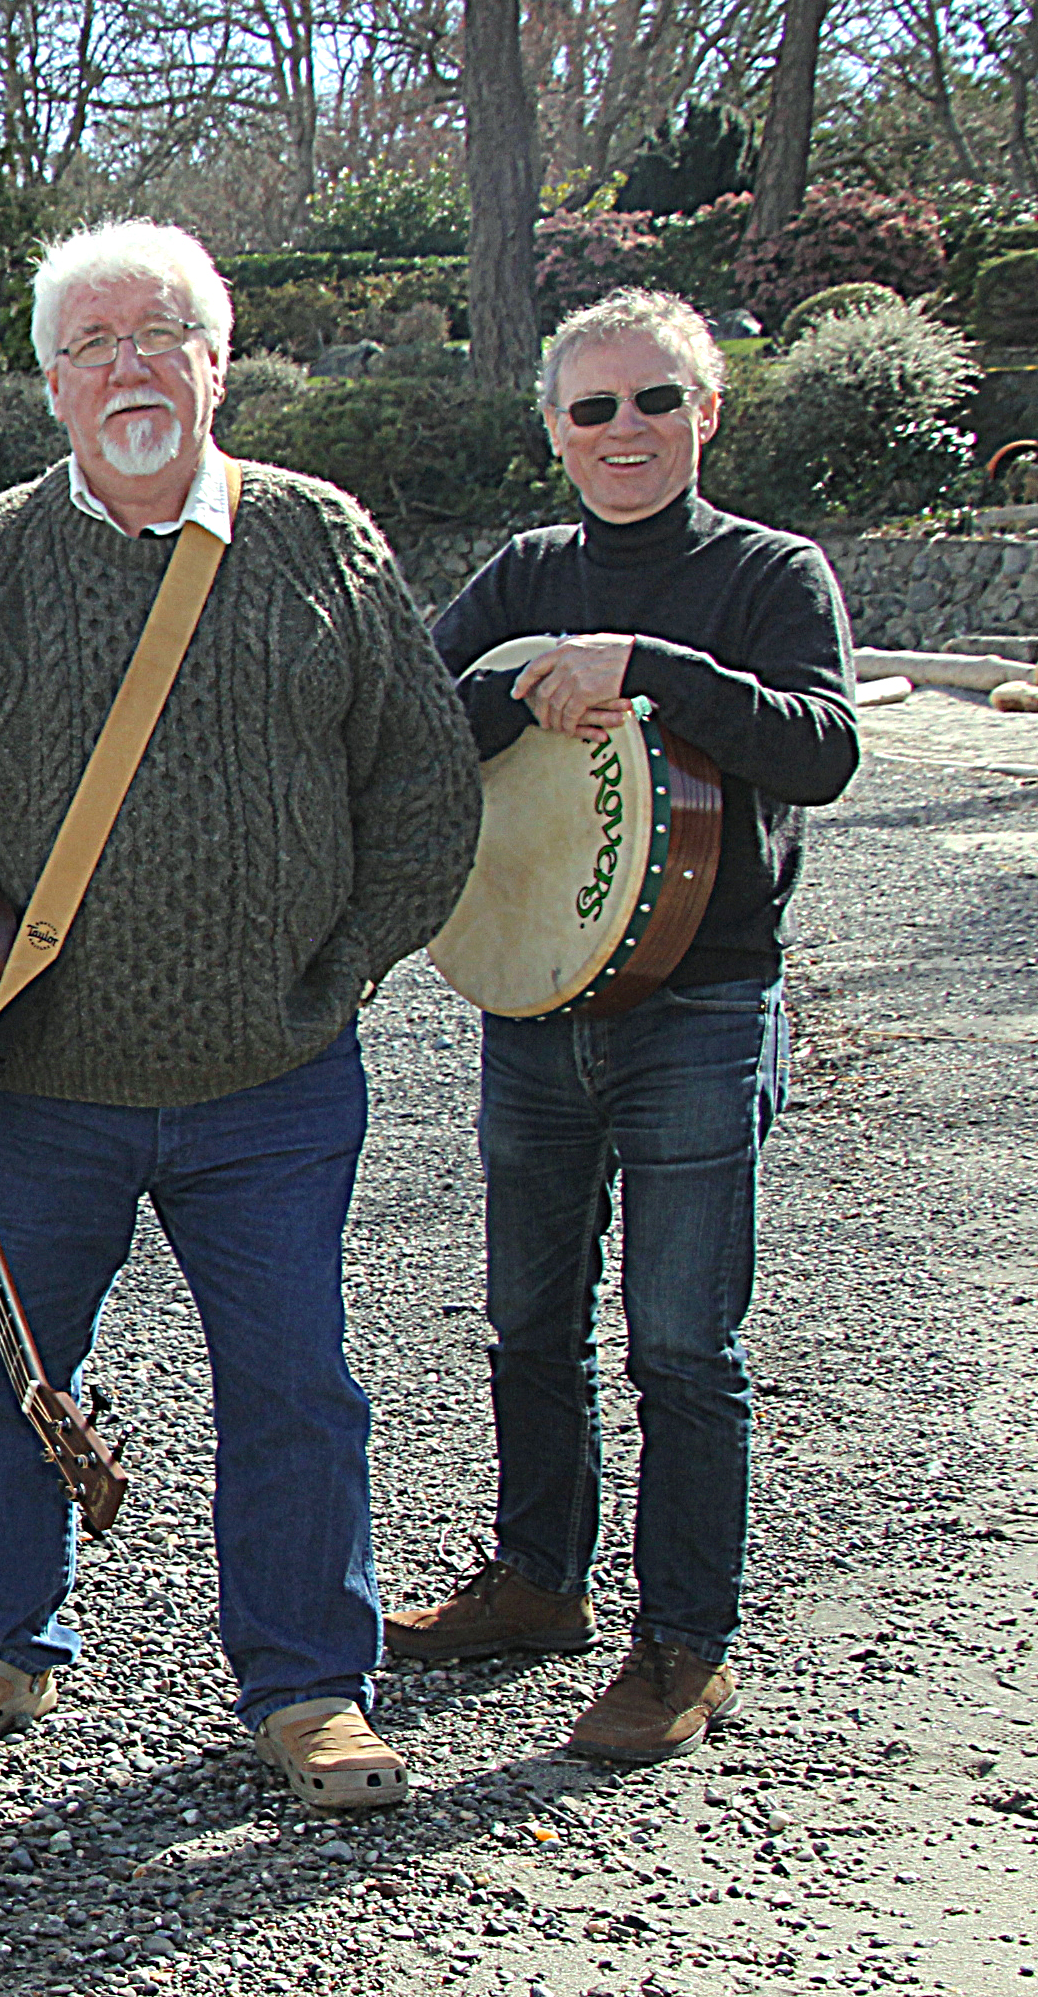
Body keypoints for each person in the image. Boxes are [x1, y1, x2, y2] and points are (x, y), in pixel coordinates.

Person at [0, 219, 480, 1812]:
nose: (130, 368)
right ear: (50, 383)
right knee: (2, 1375)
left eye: (161, 333)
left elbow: (429, 790)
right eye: (93, 346)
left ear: (218, 360)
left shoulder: (323, 541)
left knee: (299, 1380)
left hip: (276, 1077)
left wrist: (341, 965)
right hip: (41, 1078)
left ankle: (309, 1687)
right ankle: (2, 1642)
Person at [386, 287, 857, 1763]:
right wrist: (520, 681)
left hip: (703, 1008)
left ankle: (684, 1644)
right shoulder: (526, 571)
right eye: (592, 409)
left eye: (655, 400)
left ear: (706, 414)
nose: (625, 430)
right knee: (530, 1321)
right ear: (555, 433)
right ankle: (538, 1581)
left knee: (681, 1343)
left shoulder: (772, 574)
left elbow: (825, 747)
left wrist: (646, 668)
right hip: (533, 1004)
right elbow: (405, 719)